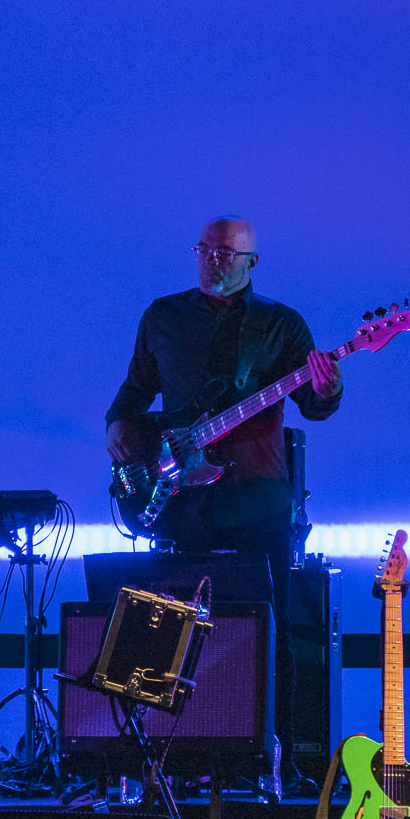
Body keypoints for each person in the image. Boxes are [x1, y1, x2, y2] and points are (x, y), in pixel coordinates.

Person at [104, 216, 341, 773]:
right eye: (205, 250)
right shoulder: (163, 315)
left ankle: (270, 760)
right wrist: (117, 424)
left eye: (226, 253)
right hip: (181, 505)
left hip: (256, 501)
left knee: (266, 629)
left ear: (251, 263)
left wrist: (328, 387)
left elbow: (315, 405)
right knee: (167, 631)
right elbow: (134, 395)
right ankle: (166, 761)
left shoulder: (281, 325)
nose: (213, 260)